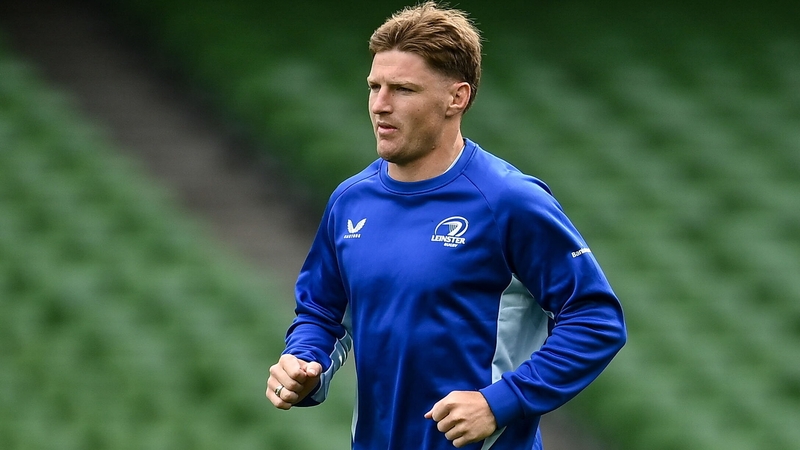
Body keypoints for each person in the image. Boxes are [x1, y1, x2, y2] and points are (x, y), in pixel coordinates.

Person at [266, 2, 626, 449]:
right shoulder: (350, 200)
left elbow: (595, 319)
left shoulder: (509, 200)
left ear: (457, 98)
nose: (380, 105)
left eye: (403, 89)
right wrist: (304, 365)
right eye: (374, 87)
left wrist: (501, 401)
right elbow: (323, 313)